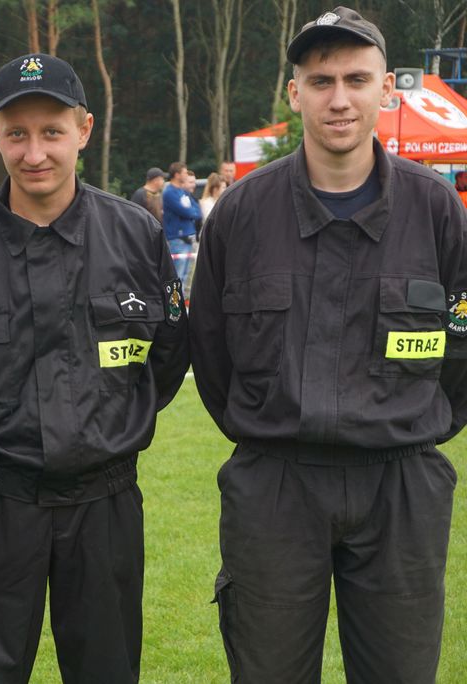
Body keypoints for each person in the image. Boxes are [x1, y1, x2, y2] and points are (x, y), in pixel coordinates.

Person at [189, 7, 467, 683]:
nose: (339, 99)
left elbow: (461, 353)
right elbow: (212, 355)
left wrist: (407, 425)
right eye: (320, 81)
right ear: (294, 93)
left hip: (401, 485)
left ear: (386, 89)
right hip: (276, 486)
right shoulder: (242, 214)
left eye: (356, 79)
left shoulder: (437, 212)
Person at [0, 52, 189, 684]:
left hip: (104, 502)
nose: (34, 153)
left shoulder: (136, 235)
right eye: (17, 133)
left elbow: (168, 355)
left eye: (52, 132)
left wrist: (108, 426)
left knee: (107, 669)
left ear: (83, 130)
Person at [161, 161, 201, 291]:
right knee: (177, 276)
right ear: (177, 175)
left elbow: (197, 211)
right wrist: (191, 212)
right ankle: (175, 302)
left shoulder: (183, 192)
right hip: (177, 239)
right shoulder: (169, 193)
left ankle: (183, 300)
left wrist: (191, 212)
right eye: (184, 172)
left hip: (189, 238)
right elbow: (185, 211)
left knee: (186, 276)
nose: (186, 175)